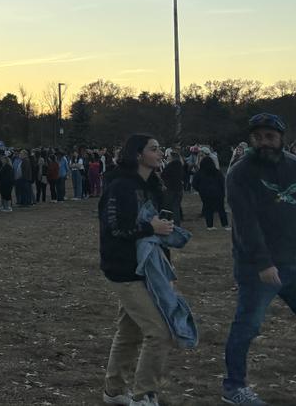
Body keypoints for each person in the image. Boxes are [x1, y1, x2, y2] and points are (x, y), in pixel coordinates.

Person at [221, 113, 296, 406]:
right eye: (258, 137)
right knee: (248, 325)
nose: (264, 142)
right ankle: (234, 387)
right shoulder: (240, 173)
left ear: (281, 138)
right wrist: (263, 263)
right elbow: (245, 224)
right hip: (257, 267)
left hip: (294, 263)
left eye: (270, 136)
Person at [98, 133, 174, 406]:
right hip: (124, 269)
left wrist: (164, 233)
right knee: (159, 332)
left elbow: (153, 225)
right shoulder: (120, 186)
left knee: (129, 332)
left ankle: (114, 390)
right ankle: (144, 396)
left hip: (149, 269)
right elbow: (114, 228)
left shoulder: (153, 185)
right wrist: (149, 228)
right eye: (154, 149)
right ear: (138, 154)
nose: (160, 152)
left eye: (160, 148)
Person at [192, 156, 228, 231]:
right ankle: (225, 225)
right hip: (218, 193)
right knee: (221, 209)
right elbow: (222, 182)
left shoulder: (199, 173)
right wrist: (223, 192)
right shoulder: (217, 172)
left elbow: (194, 183)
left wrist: (200, 190)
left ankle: (210, 226)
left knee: (208, 209)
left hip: (205, 194)